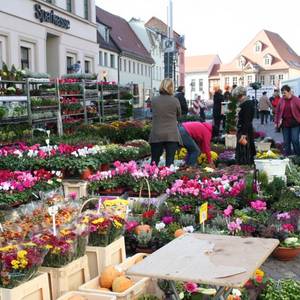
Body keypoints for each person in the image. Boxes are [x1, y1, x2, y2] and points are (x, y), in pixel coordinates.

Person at [149, 79, 182, 166]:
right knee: (170, 162)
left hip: (157, 133)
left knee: (154, 161)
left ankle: (151, 178)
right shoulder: (175, 100)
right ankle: (168, 178)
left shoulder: (154, 100)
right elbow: (179, 116)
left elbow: (152, 112)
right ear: (171, 88)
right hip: (171, 134)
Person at [275, 85, 300, 156]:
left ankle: (297, 155)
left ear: (289, 92)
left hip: (295, 123)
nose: (283, 94)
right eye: (282, 93)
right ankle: (288, 156)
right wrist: (276, 122)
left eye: (284, 93)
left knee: (295, 140)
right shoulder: (281, 100)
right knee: (286, 141)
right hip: (285, 124)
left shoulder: (296, 100)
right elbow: (277, 112)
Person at [234, 86, 256, 165]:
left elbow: (247, 119)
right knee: (244, 147)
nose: (237, 99)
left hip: (245, 130)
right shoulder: (245, 103)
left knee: (245, 148)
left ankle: (245, 164)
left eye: (237, 97)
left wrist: (243, 133)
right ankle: (244, 163)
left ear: (239, 95)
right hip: (244, 128)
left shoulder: (247, 104)